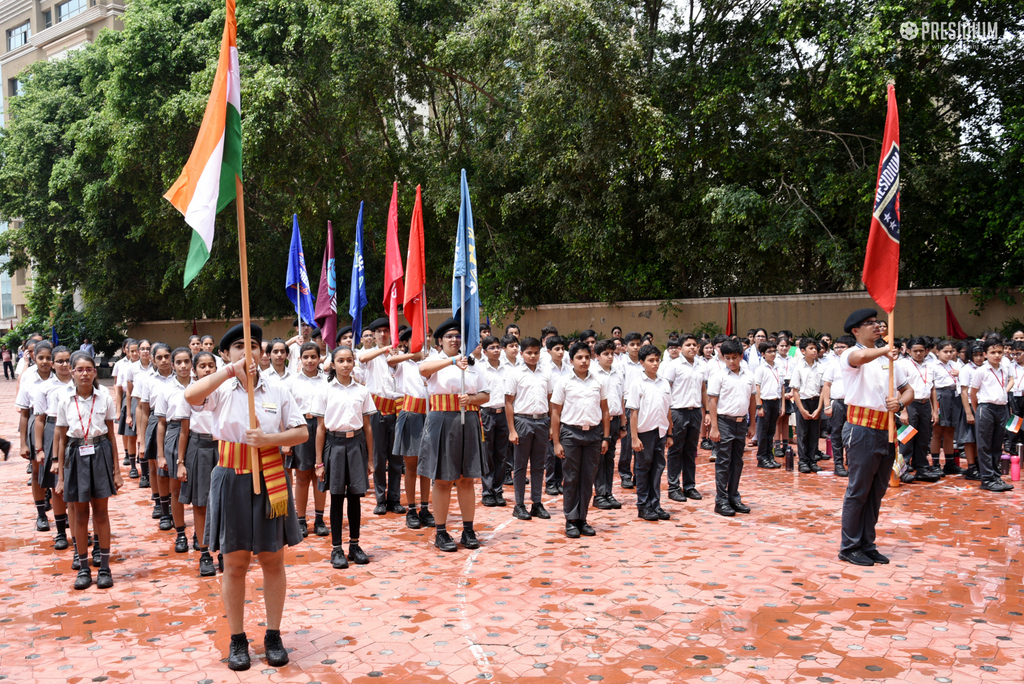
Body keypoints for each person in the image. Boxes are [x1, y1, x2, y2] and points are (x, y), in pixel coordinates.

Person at [183, 323, 307, 671]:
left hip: (270, 478)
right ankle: (237, 638)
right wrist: (227, 373)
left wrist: (269, 440)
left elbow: (301, 431)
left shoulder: (278, 389)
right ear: (226, 354)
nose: (247, 352)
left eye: (253, 345)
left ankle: (273, 634)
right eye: (238, 346)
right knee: (235, 562)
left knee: (272, 559)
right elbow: (190, 397)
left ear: (262, 353)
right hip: (231, 477)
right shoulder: (220, 389)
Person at [838, 309, 913, 567]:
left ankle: (867, 543)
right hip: (861, 429)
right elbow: (859, 357)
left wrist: (899, 403)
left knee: (877, 491)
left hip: (887, 430)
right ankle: (849, 546)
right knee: (858, 490)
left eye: (877, 322)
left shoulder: (889, 359)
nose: (876, 326)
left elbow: (908, 390)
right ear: (856, 331)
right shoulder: (851, 354)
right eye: (869, 324)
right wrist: (884, 350)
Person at [418, 317, 491, 551]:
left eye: (458, 336)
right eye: (449, 336)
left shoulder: (473, 363)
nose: (454, 339)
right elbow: (423, 369)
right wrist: (451, 362)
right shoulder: (436, 360)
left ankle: (468, 529)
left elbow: (485, 395)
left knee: (466, 478)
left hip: (468, 419)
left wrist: (470, 399)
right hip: (442, 420)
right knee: (442, 479)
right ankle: (441, 532)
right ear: (440, 340)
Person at [55, 351, 122, 590]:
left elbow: (112, 436)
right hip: (75, 454)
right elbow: (62, 439)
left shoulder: (104, 397)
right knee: (80, 514)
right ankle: (83, 567)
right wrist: (61, 476)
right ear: (72, 372)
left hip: (100, 450)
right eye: (80, 369)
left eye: (89, 369)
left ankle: (104, 567)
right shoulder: (64, 400)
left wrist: (117, 470)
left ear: (95, 372)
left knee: (101, 512)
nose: (85, 374)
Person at [315, 346, 375, 568]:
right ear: (332, 364)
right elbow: (320, 429)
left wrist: (370, 459)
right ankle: (336, 548)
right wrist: (319, 462)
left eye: (349, 360)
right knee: (337, 497)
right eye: (340, 360)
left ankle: (355, 544)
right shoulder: (325, 391)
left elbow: (368, 427)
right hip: (335, 444)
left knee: (355, 496)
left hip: (356, 444)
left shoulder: (362, 391)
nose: (346, 364)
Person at [550, 341, 609, 538]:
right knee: (571, 478)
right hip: (570, 434)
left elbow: (605, 410)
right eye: (579, 357)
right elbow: (556, 413)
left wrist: (605, 437)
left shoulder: (598, 381)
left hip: (593, 435)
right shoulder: (564, 382)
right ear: (571, 360)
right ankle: (571, 520)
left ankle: (583, 518)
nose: (584, 361)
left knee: (587, 478)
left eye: (587, 357)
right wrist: (557, 442)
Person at [175, 351, 220, 577]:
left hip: (222, 448)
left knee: (222, 503)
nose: (207, 369)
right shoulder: (189, 394)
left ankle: (222, 549)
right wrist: (181, 462)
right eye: (202, 366)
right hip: (198, 448)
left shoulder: (224, 390)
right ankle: (204, 553)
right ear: (194, 370)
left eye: (211, 365)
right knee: (201, 505)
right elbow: (184, 432)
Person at [358, 318, 405, 516]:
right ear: (374, 335)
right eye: (379, 332)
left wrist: (394, 355)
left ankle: (394, 498)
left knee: (396, 458)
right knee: (378, 459)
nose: (383, 335)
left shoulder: (400, 354)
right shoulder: (368, 355)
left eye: (386, 331)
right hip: (376, 411)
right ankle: (380, 498)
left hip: (397, 409)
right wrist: (383, 351)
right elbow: (361, 360)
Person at [505, 337, 554, 521]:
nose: (533, 356)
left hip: (542, 421)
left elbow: (550, 399)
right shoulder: (515, 373)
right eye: (529, 353)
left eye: (536, 353)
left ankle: (536, 503)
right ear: (521, 353)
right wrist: (512, 429)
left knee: (539, 465)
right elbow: (508, 403)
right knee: (520, 465)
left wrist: (550, 426)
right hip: (522, 421)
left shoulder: (545, 373)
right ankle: (519, 504)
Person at [390, 328, 434, 528]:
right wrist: (415, 355)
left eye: (427, 336)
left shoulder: (434, 359)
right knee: (411, 466)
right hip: (410, 414)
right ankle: (411, 509)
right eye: (417, 338)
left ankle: (425, 507)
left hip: (431, 414)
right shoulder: (402, 361)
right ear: (406, 342)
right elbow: (390, 362)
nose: (424, 340)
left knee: (427, 465)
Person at [284, 341, 328, 537]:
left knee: (320, 475)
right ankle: (300, 520)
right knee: (301, 477)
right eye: (305, 357)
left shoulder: (327, 380)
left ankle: (319, 519)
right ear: (299, 359)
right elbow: (285, 410)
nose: (310, 361)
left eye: (313, 357)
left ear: (320, 359)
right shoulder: (292, 381)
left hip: (322, 428)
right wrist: (287, 439)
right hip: (300, 427)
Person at [707, 339, 756, 517]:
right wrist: (714, 427)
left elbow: (752, 400)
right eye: (727, 358)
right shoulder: (718, 376)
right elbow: (712, 401)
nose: (731, 362)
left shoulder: (749, 375)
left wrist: (752, 424)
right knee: (723, 462)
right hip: (724, 422)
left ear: (741, 357)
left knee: (737, 461)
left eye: (735, 357)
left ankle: (734, 496)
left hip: (741, 423)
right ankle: (721, 500)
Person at [33, 345, 74, 550]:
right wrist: (39, 448)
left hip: (76, 433)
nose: (64, 365)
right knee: (56, 486)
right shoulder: (45, 387)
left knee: (77, 483)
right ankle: (60, 533)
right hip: (52, 430)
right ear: (53, 363)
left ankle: (78, 530)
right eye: (60, 361)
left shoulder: (81, 383)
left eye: (68, 360)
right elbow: (39, 419)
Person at [154, 347, 194, 554]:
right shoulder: (165, 389)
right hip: (174, 432)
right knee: (176, 489)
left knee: (198, 488)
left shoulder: (201, 386)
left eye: (187, 361)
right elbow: (161, 423)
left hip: (197, 435)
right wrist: (160, 454)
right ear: (173, 364)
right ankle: (180, 533)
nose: (183, 366)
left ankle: (200, 534)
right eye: (179, 362)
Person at [627, 344, 672, 521]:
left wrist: (669, 434)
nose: (655, 364)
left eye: (657, 360)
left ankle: (656, 504)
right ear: (642, 362)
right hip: (644, 433)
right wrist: (635, 438)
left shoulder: (664, 382)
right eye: (650, 361)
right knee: (643, 469)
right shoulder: (637, 383)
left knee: (657, 469)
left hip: (660, 432)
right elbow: (633, 413)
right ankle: (643, 505)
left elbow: (668, 408)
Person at [661, 334, 708, 498]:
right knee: (675, 450)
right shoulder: (673, 366)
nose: (692, 348)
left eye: (695, 345)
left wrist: (706, 410)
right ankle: (673, 487)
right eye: (688, 345)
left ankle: (689, 486)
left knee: (690, 451)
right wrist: (668, 416)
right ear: (680, 348)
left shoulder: (701, 365)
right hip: (678, 412)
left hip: (695, 411)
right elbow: (666, 390)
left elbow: (703, 389)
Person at [969, 337, 1014, 492]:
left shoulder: (1004, 369)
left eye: (1000, 352)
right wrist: (978, 411)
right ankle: (987, 479)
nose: (997, 355)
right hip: (986, 408)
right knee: (985, 445)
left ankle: (996, 476)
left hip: (1001, 408)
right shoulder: (981, 371)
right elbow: (973, 393)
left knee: (997, 445)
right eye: (993, 352)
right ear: (986, 354)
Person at [591, 340, 624, 510]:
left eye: (612, 353)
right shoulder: (592, 373)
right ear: (597, 356)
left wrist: (623, 424)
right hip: (598, 422)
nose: (610, 357)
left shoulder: (618, 373)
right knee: (599, 457)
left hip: (615, 420)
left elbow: (621, 399)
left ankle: (608, 492)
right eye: (605, 354)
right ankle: (599, 494)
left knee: (610, 458)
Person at [478, 335, 510, 508]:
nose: (496, 350)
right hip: (486, 414)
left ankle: (498, 490)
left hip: (503, 413)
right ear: (484, 351)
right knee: (487, 453)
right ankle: (487, 491)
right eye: (492, 348)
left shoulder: (507, 369)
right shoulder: (480, 369)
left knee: (501, 453)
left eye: (498, 347)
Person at [790, 338, 824, 474]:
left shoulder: (821, 367)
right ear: (803, 351)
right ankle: (803, 461)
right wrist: (802, 409)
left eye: (816, 348)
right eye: (811, 348)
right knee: (803, 433)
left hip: (816, 401)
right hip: (803, 402)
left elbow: (823, 390)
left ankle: (812, 460)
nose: (814, 351)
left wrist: (819, 408)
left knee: (814, 433)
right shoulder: (798, 368)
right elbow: (795, 391)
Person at [821, 336, 853, 477]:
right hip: (838, 403)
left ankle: (852, 463)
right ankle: (838, 464)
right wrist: (827, 405)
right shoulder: (834, 364)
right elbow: (826, 385)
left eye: (842, 347)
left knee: (854, 434)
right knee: (837, 434)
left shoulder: (857, 364)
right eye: (837, 347)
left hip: (854, 404)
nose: (839, 350)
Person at [753, 341, 783, 469]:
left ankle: (770, 456)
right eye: (769, 351)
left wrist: (782, 405)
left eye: (774, 351)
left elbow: (781, 386)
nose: (773, 354)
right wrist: (759, 406)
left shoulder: (778, 367)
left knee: (771, 431)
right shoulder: (760, 369)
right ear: (763, 354)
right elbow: (757, 388)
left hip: (776, 401)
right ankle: (762, 457)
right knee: (763, 431)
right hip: (765, 401)